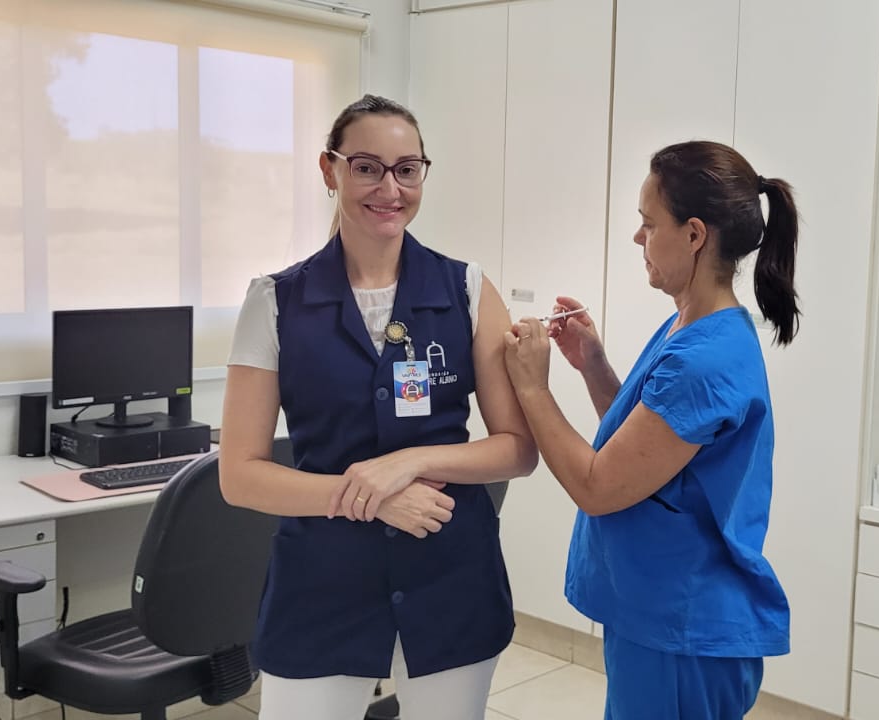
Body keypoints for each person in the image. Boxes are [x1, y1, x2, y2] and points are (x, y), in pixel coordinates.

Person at [219, 94, 538, 720]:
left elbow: (517, 450)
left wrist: (407, 463)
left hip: (449, 577)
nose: (390, 189)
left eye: (407, 169)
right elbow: (240, 475)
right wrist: (373, 497)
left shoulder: (466, 289)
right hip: (323, 584)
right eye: (366, 167)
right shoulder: (275, 301)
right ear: (330, 169)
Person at [502, 140, 801, 718]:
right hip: (661, 613)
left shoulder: (703, 358)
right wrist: (593, 366)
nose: (638, 237)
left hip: (683, 627)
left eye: (649, 223)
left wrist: (533, 388)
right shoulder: (689, 327)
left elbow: (598, 485)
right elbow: (646, 451)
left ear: (694, 235)